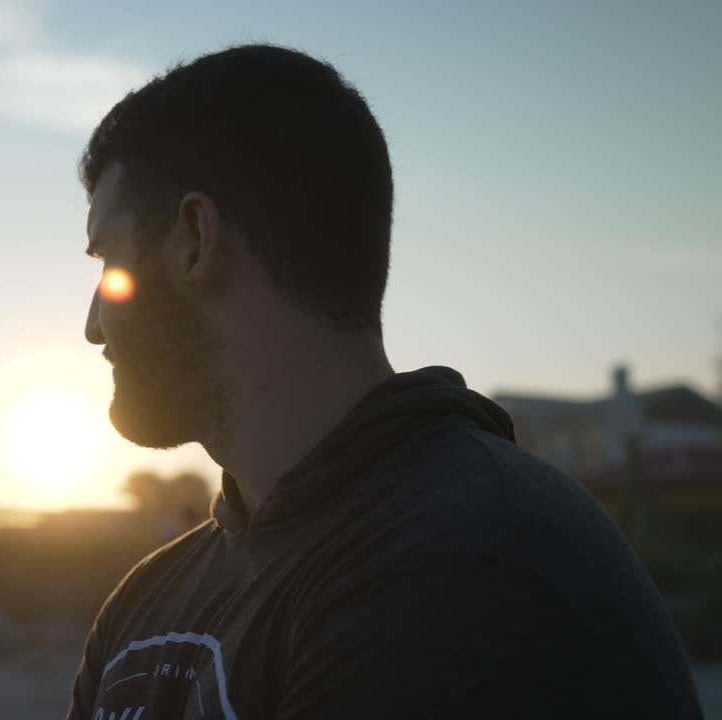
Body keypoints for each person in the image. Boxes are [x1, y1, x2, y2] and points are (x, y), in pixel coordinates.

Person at [67, 44, 701, 719]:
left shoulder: (465, 564)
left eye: (109, 263)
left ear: (196, 239)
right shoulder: (146, 602)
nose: (92, 325)